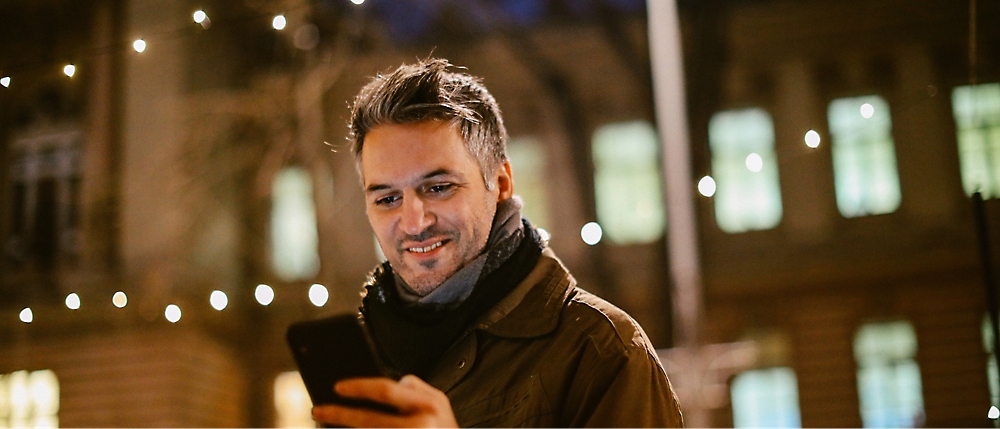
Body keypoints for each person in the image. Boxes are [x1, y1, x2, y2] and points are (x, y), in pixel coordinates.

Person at [311, 58, 684, 428]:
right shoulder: (363, 358)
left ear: (501, 183)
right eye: (387, 199)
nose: (414, 222)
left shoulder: (600, 351)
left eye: (439, 188)